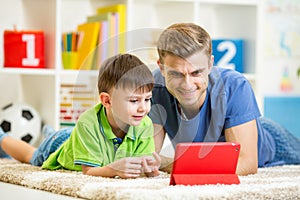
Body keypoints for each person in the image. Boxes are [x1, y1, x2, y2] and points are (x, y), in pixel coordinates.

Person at [149, 22, 300, 175]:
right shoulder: (155, 87)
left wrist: (170, 163)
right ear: (161, 68)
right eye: (176, 74)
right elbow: (149, 155)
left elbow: (246, 164)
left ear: (210, 64)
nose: (187, 84)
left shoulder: (235, 85)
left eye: (196, 73)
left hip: (273, 144)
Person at [0, 53, 161, 179]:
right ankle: (2, 137)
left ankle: (47, 130)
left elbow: (141, 165)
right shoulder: (88, 123)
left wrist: (150, 168)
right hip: (61, 144)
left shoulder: (145, 124)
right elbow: (89, 171)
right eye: (134, 100)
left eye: (147, 99)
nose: (143, 108)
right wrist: (113, 169)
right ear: (107, 100)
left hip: (81, 138)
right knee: (32, 156)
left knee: (58, 134)